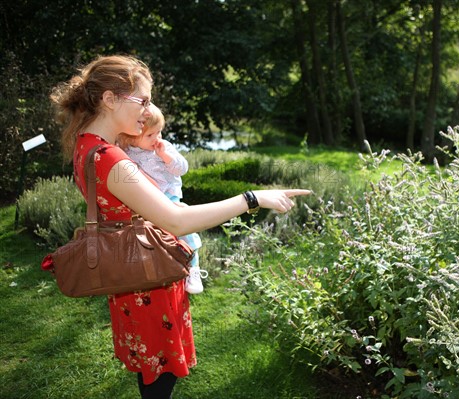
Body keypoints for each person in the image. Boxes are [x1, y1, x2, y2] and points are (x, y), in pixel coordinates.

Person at [49, 54, 311, 399]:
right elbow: (176, 220)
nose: (148, 110)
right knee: (160, 374)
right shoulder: (110, 158)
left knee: (150, 369)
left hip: (132, 273)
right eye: (142, 100)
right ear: (109, 99)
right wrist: (253, 197)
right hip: (149, 277)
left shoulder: (87, 145)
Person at [117, 104, 207, 294]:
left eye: (159, 132)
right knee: (154, 235)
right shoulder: (125, 152)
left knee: (183, 226)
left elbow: (182, 168)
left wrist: (166, 156)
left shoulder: (163, 146)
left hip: (169, 195)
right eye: (150, 135)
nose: (156, 138)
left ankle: (194, 267)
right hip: (145, 199)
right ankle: (158, 266)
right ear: (131, 135)